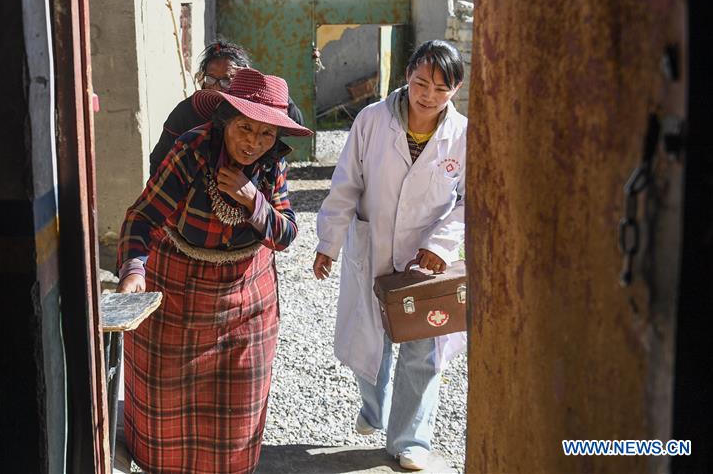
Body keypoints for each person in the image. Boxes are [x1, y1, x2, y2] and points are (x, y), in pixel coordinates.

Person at [117, 68, 313, 474]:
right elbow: (143, 216)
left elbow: (287, 233)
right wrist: (134, 269)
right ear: (225, 120)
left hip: (248, 300)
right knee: (164, 402)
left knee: (239, 407)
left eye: (266, 134)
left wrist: (253, 200)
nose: (253, 143)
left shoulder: (272, 163)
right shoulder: (192, 149)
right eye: (245, 128)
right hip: (178, 289)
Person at [312, 40, 467, 471]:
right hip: (373, 246)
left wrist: (439, 245)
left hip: (426, 261)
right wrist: (329, 242)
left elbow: (469, 201)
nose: (428, 95)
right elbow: (346, 184)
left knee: (422, 343)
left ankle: (411, 440)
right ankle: (373, 407)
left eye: (440, 88)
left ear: (454, 89)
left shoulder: (463, 135)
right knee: (370, 337)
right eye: (421, 83)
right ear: (407, 77)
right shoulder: (372, 120)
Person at [149, 39, 305, 176]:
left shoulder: (257, 113)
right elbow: (160, 160)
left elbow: (297, 121)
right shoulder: (187, 112)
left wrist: (274, 95)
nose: (217, 87)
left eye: (226, 80)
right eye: (211, 79)